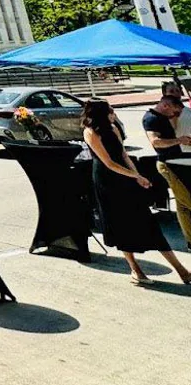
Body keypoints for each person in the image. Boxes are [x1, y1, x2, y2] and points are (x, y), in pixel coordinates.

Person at [82, 99, 191, 286]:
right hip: (107, 181)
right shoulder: (90, 132)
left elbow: (124, 155)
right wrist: (135, 176)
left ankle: (182, 271)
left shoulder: (113, 128)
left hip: (126, 175)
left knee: (148, 222)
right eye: (110, 109)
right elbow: (108, 163)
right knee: (120, 225)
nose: (113, 111)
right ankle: (135, 269)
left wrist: (137, 176)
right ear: (102, 113)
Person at [146, 94, 191, 247]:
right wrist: (179, 140)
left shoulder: (164, 116)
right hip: (168, 165)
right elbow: (155, 142)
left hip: (178, 162)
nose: (175, 115)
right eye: (175, 112)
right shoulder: (151, 118)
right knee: (187, 201)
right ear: (165, 106)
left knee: (182, 204)